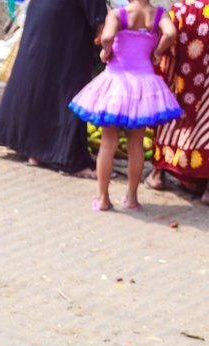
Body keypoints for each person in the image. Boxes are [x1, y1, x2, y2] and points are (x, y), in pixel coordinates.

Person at [70, 1, 181, 211]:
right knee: (136, 145)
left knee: (107, 143)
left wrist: (106, 51)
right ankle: (131, 197)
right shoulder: (158, 14)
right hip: (144, 85)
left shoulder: (118, 15)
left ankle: (103, 199)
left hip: (117, 83)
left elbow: (107, 37)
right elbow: (170, 33)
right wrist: (157, 52)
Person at [0, 0, 108, 177]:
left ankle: (35, 151)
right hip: (65, 22)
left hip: (43, 13)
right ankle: (70, 159)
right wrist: (103, 29)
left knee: (40, 75)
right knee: (69, 80)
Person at [145, 1, 209, 205]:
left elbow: (165, 47)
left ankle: (158, 173)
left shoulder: (180, 9)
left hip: (180, 81)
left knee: (171, 110)